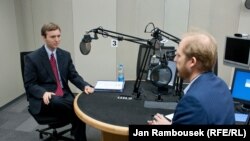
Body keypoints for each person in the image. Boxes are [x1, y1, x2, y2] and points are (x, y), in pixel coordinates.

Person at [24, 22, 94, 141]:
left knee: (79, 103)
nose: (57, 39)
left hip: (64, 95)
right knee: (73, 106)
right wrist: (42, 93)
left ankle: (80, 135)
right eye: (52, 37)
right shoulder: (32, 58)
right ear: (44, 37)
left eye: (58, 36)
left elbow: (74, 76)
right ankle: (80, 113)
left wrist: (85, 86)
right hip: (46, 97)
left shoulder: (65, 55)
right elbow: (30, 84)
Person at [148, 30, 235, 125]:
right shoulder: (222, 85)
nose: (174, 59)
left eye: (178, 55)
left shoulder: (192, 102)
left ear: (192, 62)